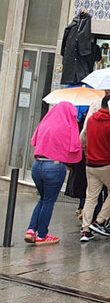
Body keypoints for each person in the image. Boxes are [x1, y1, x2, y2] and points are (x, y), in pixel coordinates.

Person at [25, 102, 83, 246]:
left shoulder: (45, 122)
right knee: (49, 201)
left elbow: (33, 141)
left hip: (37, 166)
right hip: (54, 166)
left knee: (42, 199)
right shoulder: (69, 125)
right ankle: (42, 235)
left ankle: (31, 230)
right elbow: (75, 146)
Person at [80, 94, 110, 243]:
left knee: (91, 197)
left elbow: (86, 138)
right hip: (106, 164)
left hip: (90, 164)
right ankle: (99, 221)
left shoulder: (92, 120)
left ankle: (85, 230)